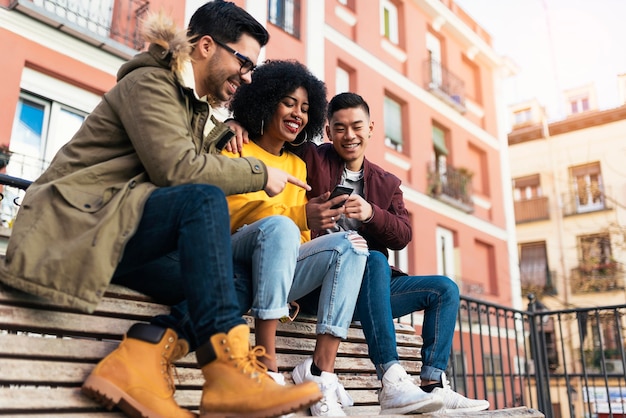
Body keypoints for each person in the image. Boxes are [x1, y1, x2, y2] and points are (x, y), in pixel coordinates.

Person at [0, 2, 323, 418]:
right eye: (243, 62)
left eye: (252, 70)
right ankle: (227, 375)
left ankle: (142, 356)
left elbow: (197, 158)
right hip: (78, 225)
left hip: (120, 234)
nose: (246, 77)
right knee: (200, 198)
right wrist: (258, 172)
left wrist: (232, 128)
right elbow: (177, 170)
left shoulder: (195, 110)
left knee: (239, 278)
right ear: (206, 46)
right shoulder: (150, 83)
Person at [296, 92, 491, 415]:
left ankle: (432, 384)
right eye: (340, 128)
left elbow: (403, 235)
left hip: (371, 292)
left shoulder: (386, 183)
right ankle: (390, 378)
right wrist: (234, 124)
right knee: (372, 258)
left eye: (357, 126)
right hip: (322, 287)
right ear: (328, 132)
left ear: (371, 128)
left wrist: (371, 213)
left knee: (444, 289)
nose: (350, 135)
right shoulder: (312, 159)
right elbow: (276, 137)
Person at [225, 60, 368, 416]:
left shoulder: (297, 165)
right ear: (265, 100)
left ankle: (321, 373)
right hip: (235, 253)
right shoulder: (234, 145)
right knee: (281, 227)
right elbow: (232, 214)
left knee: (350, 245)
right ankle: (267, 366)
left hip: (279, 269)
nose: (298, 114)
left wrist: (308, 220)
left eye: (306, 108)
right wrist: (298, 216)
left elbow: (301, 237)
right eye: (289, 102)